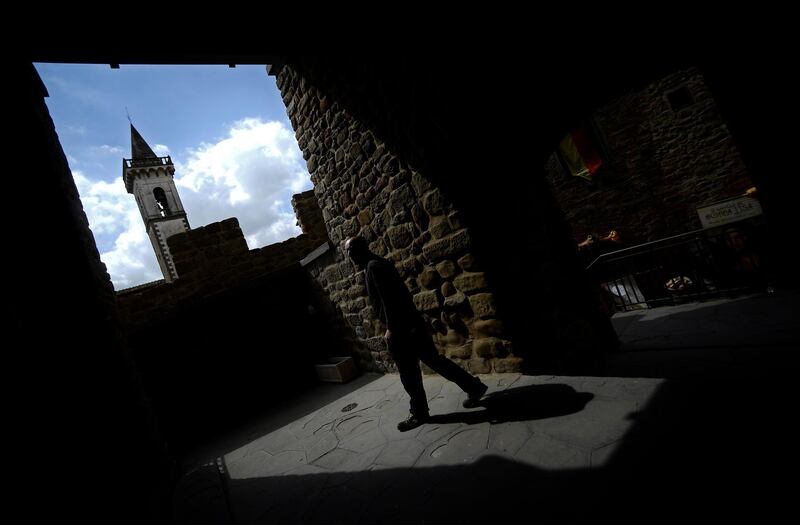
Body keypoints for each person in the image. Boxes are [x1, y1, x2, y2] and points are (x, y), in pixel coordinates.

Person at [344, 236, 488, 431]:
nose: (349, 256)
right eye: (347, 252)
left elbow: (390, 301)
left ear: (360, 249)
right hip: (411, 325)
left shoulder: (374, 267)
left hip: (402, 330)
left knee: (409, 374)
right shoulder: (377, 264)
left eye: (350, 251)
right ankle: (474, 387)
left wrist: (391, 329)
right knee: (435, 361)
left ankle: (419, 413)